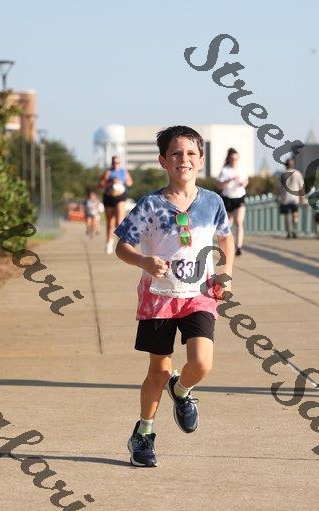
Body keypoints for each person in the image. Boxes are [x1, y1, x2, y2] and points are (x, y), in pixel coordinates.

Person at [114, 125, 235, 467]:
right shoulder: (150, 204)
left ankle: (181, 390)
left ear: (201, 160)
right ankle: (143, 433)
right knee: (158, 371)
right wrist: (143, 261)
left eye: (191, 153)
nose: (184, 159)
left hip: (200, 294)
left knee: (202, 363)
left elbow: (226, 238)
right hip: (159, 297)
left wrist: (225, 275)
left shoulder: (212, 202)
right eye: (176, 154)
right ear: (163, 161)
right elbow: (122, 246)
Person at [216, 148, 248, 256]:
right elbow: (219, 186)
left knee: (239, 222)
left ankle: (239, 247)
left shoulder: (242, 169)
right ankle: (228, 245)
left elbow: (246, 181)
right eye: (232, 158)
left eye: (236, 158)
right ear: (229, 159)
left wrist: (242, 183)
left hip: (240, 196)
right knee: (228, 223)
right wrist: (229, 180)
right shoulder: (224, 170)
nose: (234, 160)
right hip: (227, 197)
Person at [99, 156, 133, 255]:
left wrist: (122, 181)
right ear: (111, 163)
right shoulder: (108, 172)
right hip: (109, 196)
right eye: (114, 162)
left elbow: (130, 183)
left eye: (117, 163)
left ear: (119, 163)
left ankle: (123, 244)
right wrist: (108, 181)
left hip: (120, 196)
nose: (115, 164)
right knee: (110, 222)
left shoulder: (124, 172)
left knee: (119, 221)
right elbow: (100, 185)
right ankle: (109, 242)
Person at [278, 158, 306, 238]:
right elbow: (301, 186)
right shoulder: (297, 173)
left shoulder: (282, 174)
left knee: (287, 215)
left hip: (285, 198)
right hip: (295, 198)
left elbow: (279, 187)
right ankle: (294, 229)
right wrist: (303, 197)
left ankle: (289, 232)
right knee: (295, 214)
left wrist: (278, 197)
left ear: (285, 165)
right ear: (293, 165)